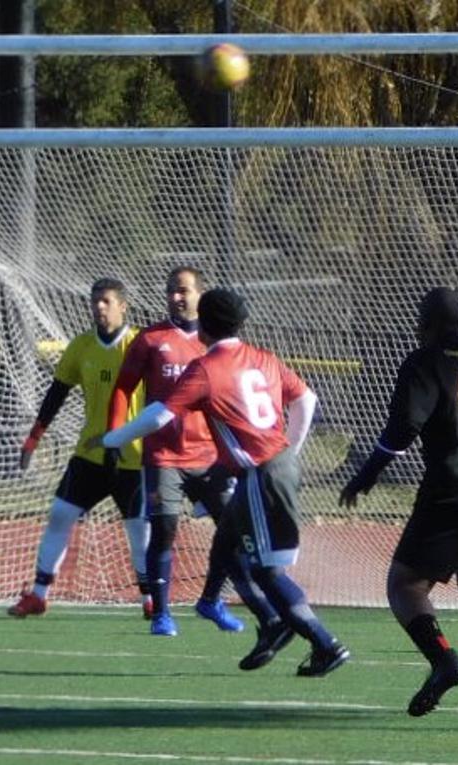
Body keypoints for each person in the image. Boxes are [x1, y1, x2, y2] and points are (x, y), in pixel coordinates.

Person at [96, 288, 350, 676]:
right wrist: (289, 452)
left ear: (205, 324)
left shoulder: (206, 368)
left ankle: (324, 643)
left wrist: (113, 438)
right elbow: (306, 400)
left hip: (260, 474)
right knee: (226, 543)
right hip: (272, 467)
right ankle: (264, 621)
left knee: (266, 571)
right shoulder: (263, 357)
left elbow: (160, 415)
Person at [339, 287, 458, 716]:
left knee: (405, 585)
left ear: (423, 324)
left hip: (454, 490)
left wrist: (367, 474)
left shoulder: (425, 361)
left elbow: (404, 428)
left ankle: (444, 660)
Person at [107, 268, 279, 640]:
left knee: (233, 531)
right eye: (171, 291)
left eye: (183, 290)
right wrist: (115, 434)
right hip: (164, 456)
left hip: (211, 457)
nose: (176, 297)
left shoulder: (217, 343)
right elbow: (123, 388)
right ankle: (161, 614)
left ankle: (213, 600)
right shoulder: (151, 339)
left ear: (201, 295)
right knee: (165, 528)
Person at [8, 277, 151, 618]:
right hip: (90, 455)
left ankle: (150, 599)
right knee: (60, 515)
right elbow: (56, 394)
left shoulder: (141, 345)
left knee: (138, 530)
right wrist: (33, 438)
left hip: (133, 457)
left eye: (106, 301)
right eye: (95, 301)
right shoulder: (81, 346)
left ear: (123, 306)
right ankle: (39, 594)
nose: (99, 307)